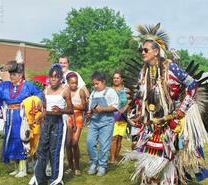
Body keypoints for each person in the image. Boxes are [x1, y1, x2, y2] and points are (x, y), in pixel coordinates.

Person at [122, 23, 208, 184]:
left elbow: (192, 84)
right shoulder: (143, 72)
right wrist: (137, 114)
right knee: (147, 168)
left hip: (170, 122)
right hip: (151, 123)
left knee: (170, 164)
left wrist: (182, 109)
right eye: (141, 49)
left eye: (145, 50)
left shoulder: (171, 68)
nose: (142, 52)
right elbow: (141, 96)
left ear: (155, 51)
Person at [0, 56, 43, 178]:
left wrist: (33, 106)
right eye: (11, 74)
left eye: (15, 74)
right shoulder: (6, 85)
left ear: (21, 75)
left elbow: (39, 96)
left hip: (22, 116)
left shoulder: (28, 86)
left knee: (21, 140)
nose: (12, 76)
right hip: (9, 116)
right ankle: (16, 168)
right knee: (11, 140)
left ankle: (23, 169)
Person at [30, 64, 73, 185]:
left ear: (60, 78)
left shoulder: (65, 90)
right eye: (52, 76)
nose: (53, 79)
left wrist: (61, 111)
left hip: (58, 123)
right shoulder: (45, 90)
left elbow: (71, 110)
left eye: (56, 77)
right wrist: (39, 115)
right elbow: (44, 109)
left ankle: (56, 179)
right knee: (41, 150)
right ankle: (39, 179)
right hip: (46, 123)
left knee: (55, 151)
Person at [86, 71, 119, 176]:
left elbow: (115, 107)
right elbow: (91, 106)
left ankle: (102, 165)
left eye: (97, 84)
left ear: (103, 82)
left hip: (106, 122)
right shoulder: (93, 93)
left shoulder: (110, 92)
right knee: (90, 142)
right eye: (94, 84)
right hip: (94, 122)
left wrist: (103, 109)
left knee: (104, 145)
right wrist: (89, 112)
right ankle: (94, 162)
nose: (95, 86)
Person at [65, 72, 87, 176]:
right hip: (67, 118)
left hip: (78, 118)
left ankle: (77, 167)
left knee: (74, 143)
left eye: (76, 83)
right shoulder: (65, 91)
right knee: (68, 144)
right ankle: (70, 166)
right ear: (68, 83)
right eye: (72, 83)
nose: (74, 85)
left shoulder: (81, 91)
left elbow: (84, 107)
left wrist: (73, 106)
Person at [109, 70, 131, 164]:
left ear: (121, 79)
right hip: (112, 117)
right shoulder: (109, 90)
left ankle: (116, 157)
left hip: (123, 117)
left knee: (119, 138)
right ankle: (112, 159)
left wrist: (125, 108)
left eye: (118, 78)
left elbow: (130, 101)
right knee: (113, 138)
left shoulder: (126, 90)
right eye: (114, 78)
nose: (116, 79)